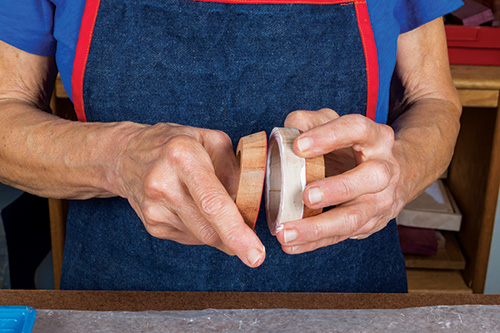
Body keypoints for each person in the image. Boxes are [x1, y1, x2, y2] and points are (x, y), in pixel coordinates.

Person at [0, 0, 463, 292]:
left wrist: (399, 169)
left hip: (347, 294)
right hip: (123, 293)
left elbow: (435, 101)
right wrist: (119, 157)